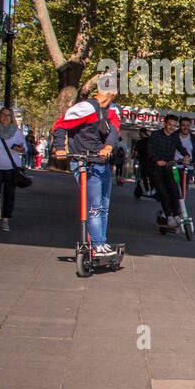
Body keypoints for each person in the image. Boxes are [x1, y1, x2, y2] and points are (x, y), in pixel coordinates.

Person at [52, 71, 122, 256]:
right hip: (83, 161)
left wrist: (108, 146)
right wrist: (59, 147)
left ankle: (101, 242)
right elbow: (59, 126)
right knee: (94, 205)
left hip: (101, 161)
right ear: (113, 91)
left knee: (104, 205)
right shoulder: (85, 108)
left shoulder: (113, 109)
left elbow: (114, 131)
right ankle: (97, 245)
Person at [148, 114, 185, 229]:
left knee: (175, 191)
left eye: (174, 125)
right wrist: (157, 160)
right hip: (156, 169)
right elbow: (150, 151)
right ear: (165, 123)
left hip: (170, 168)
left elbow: (180, 147)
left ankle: (176, 215)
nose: (171, 127)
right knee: (163, 193)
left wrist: (186, 155)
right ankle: (169, 216)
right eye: (170, 125)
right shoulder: (155, 135)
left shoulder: (175, 137)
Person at [176, 117, 195, 189]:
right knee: (175, 187)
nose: (185, 128)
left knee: (183, 188)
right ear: (180, 126)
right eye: (183, 125)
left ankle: (181, 199)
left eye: (188, 125)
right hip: (175, 167)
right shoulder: (174, 136)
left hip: (188, 167)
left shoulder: (193, 138)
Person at [132, 127, 153, 197]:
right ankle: (153, 190)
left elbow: (135, 153)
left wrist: (133, 157)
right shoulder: (151, 140)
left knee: (144, 177)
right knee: (151, 176)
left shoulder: (140, 142)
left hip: (142, 161)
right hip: (151, 161)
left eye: (139, 133)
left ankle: (147, 190)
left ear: (141, 133)